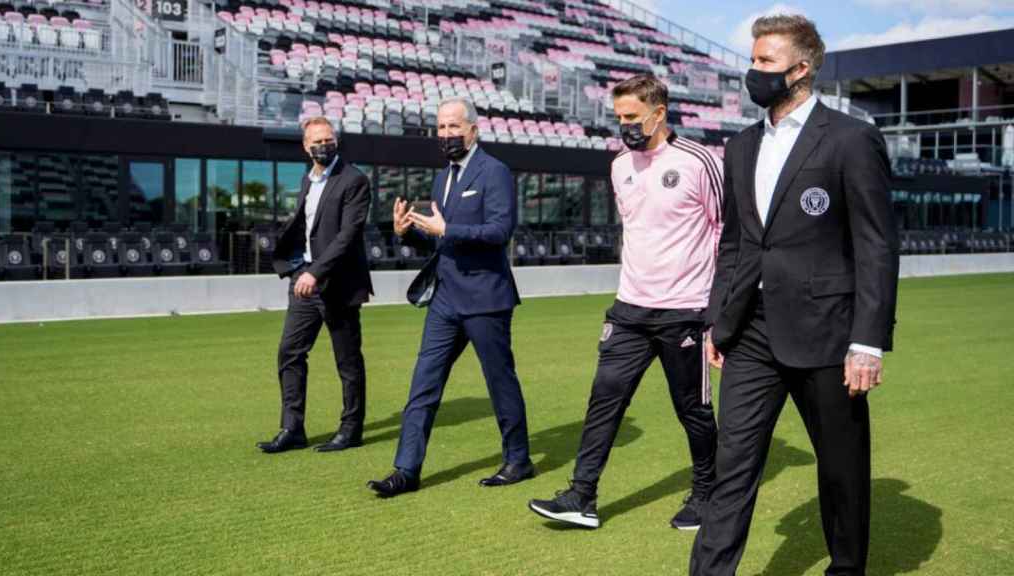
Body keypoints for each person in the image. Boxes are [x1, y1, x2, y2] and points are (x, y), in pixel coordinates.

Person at [689, 15, 899, 575]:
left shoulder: (852, 139)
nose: (751, 71)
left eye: (764, 61)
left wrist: (868, 344)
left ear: (801, 68)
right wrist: (719, 322)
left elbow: (877, 246)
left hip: (830, 336)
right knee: (732, 466)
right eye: (752, 59)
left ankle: (846, 569)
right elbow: (735, 243)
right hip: (752, 333)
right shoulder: (740, 146)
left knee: (841, 468)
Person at [527, 74, 721, 530]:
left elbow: (726, 233)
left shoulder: (700, 161)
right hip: (629, 310)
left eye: (632, 117)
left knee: (692, 410)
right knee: (604, 400)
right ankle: (581, 496)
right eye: (619, 118)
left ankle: (708, 494)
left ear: (659, 112)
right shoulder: (619, 166)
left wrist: (717, 313)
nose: (625, 126)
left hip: (686, 312)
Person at [367, 97, 533, 497]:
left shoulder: (495, 172)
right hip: (445, 299)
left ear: (472, 129)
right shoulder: (443, 178)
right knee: (423, 385)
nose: (446, 135)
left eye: (453, 127)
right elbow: (442, 239)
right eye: (440, 128)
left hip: (486, 299)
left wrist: (446, 231)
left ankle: (518, 459)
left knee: (500, 383)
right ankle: (406, 470)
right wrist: (409, 230)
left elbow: (499, 232)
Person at [257, 116, 374, 454]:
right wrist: (297, 269)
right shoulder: (308, 180)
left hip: (337, 283)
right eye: (318, 141)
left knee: (347, 362)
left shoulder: (354, 180)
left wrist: (315, 273)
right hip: (304, 281)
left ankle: (351, 429)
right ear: (306, 147)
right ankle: (292, 428)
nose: (325, 144)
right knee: (289, 353)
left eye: (329, 138)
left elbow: (347, 237)